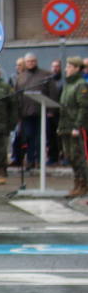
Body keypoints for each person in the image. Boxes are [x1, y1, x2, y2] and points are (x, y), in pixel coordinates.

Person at [14, 53, 53, 171]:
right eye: (28, 61)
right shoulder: (21, 77)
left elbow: (52, 92)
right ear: (25, 63)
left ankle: (40, 161)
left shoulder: (45, 75)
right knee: (29, 137)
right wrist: (18, 112)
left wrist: (51, 110)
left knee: (41, 137)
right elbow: (17, 95)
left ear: (36, 62)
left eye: (33, 61)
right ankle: (30, 160)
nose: (31, 63)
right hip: (26, 112)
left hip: (42, 111)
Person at [58, 57, 87, 197]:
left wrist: (77, 126)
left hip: (75, 127)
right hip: (65, 126)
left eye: (69, 66)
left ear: (76, 68)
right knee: (69, 156)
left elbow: (83, 107)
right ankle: (76, 183)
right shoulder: (67, 84)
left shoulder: (80, 84)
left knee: (78, 156)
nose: (66, 69)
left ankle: (83, 185)